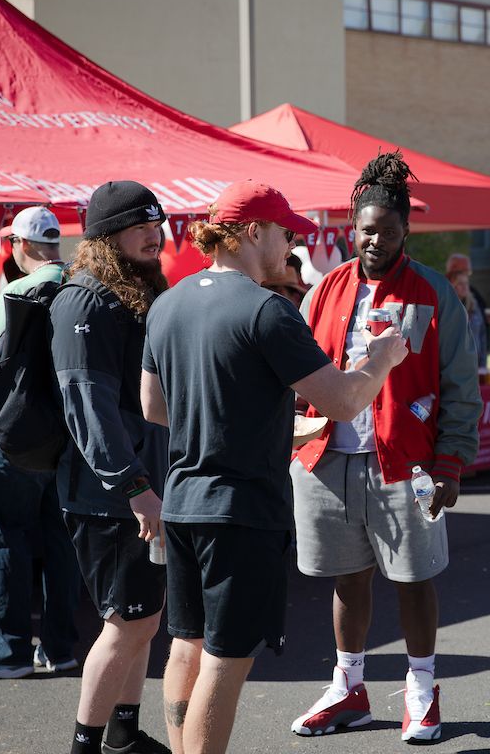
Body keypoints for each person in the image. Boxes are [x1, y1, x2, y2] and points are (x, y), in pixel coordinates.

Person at [140, 179, 408, 754]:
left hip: (183, 501)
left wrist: (237, 411)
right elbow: (341, 401)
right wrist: (382, 358)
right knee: (226, 657)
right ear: (250, 231)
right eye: (284, 232)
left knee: (185, 646)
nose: (290, 246)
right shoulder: (267, 310)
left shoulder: (168, 302)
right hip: (240, 509)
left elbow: (154, 407)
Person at [289, 153, 481, 744]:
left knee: (413, 578)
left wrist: (449, 463)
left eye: (389, 231)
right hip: (326, 460)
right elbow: (296, 373)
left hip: (406, 465)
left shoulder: (432, 294)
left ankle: (421, 690)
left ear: (406, 231)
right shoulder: (323, 290)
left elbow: (459, 386)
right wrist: (292, 445)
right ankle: (349, 689)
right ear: (353, 225)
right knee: (347, 579)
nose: (376, 240)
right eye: (367, 229)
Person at [49, 182, 173, 754]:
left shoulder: (135, 292)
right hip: (112, 494)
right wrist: (135, 487)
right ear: (105, 237)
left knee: (144, 619)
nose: (156, 235)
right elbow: (88, 407)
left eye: (157, 224)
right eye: (141, 226)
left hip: (142, 486)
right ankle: (85, 746)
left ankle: (123, 735)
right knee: (124, 622)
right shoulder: (86, 300)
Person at [0, 206, 80, 680]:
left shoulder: (18, 291)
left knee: (3, 539)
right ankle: (61, 646)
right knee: (61, 542)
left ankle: (10, 650)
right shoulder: (79, 285)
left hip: (13, 437)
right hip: (68, 438)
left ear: (17, 246)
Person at [446, 252, 488, 367]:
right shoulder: (444, 305)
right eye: (460, 284)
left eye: (466, 283)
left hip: (475, 363)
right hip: (452, 366)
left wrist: (483, 364)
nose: (464, 287)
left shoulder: (474, 305)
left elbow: (482, 335)